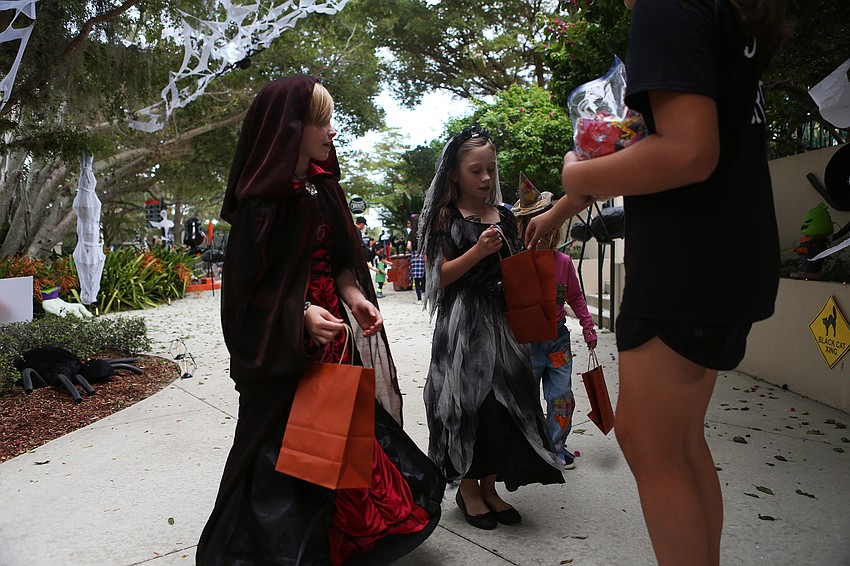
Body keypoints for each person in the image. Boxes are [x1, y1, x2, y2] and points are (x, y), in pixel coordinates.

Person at [525, 2, 787, 564]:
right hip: (725, 252)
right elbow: (666, 142)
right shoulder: (714, 11)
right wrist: (566, 206)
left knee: (649, 439)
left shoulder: (668, 6)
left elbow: (689, 152)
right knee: (680, 439)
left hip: (688, 259)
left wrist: (575, 172)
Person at [197, 75, 445, 565]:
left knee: (338, 452)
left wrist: (354, 297)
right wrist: (301, 315)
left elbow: (337, 262)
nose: (331, 132)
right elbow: (244, 296)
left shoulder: (322, 190)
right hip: (286, 356)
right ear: (291, 127)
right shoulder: (259, 206)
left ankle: (340, 542)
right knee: (285, 462)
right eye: (321, 121)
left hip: (335, 347)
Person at [419, 125, 564, 531]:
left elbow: (516, 268)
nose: (485, 179)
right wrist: (479, 251)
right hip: (464, 327)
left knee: (506, 406)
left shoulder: (504, 215)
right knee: (469, 405)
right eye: (475, 171)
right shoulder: (445, 218)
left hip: (503, 325)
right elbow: (438, 278)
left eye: (490, 170)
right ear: (454, 174)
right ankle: (468, 488)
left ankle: (490, 485)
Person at [512, 186, 597, 470]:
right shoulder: (515, 264)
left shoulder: (563, 262)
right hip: (528, 343)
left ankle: (557, 445)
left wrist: (588, 328)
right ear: (525, 227)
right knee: (526, 400)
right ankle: (533, 447)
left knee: (561, 398)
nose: (545, 231)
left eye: (550, 222)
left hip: (558, 341)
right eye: (537, 223)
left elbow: (575, 296)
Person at [406, 215, 425, 304]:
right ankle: (426, 296)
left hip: (415, 256)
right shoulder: (424, 232)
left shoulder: (412, 233)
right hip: (424, 255)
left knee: (417, 279)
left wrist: (413, 250)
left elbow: (408, 246)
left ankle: (419, 299)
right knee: (425, 277)